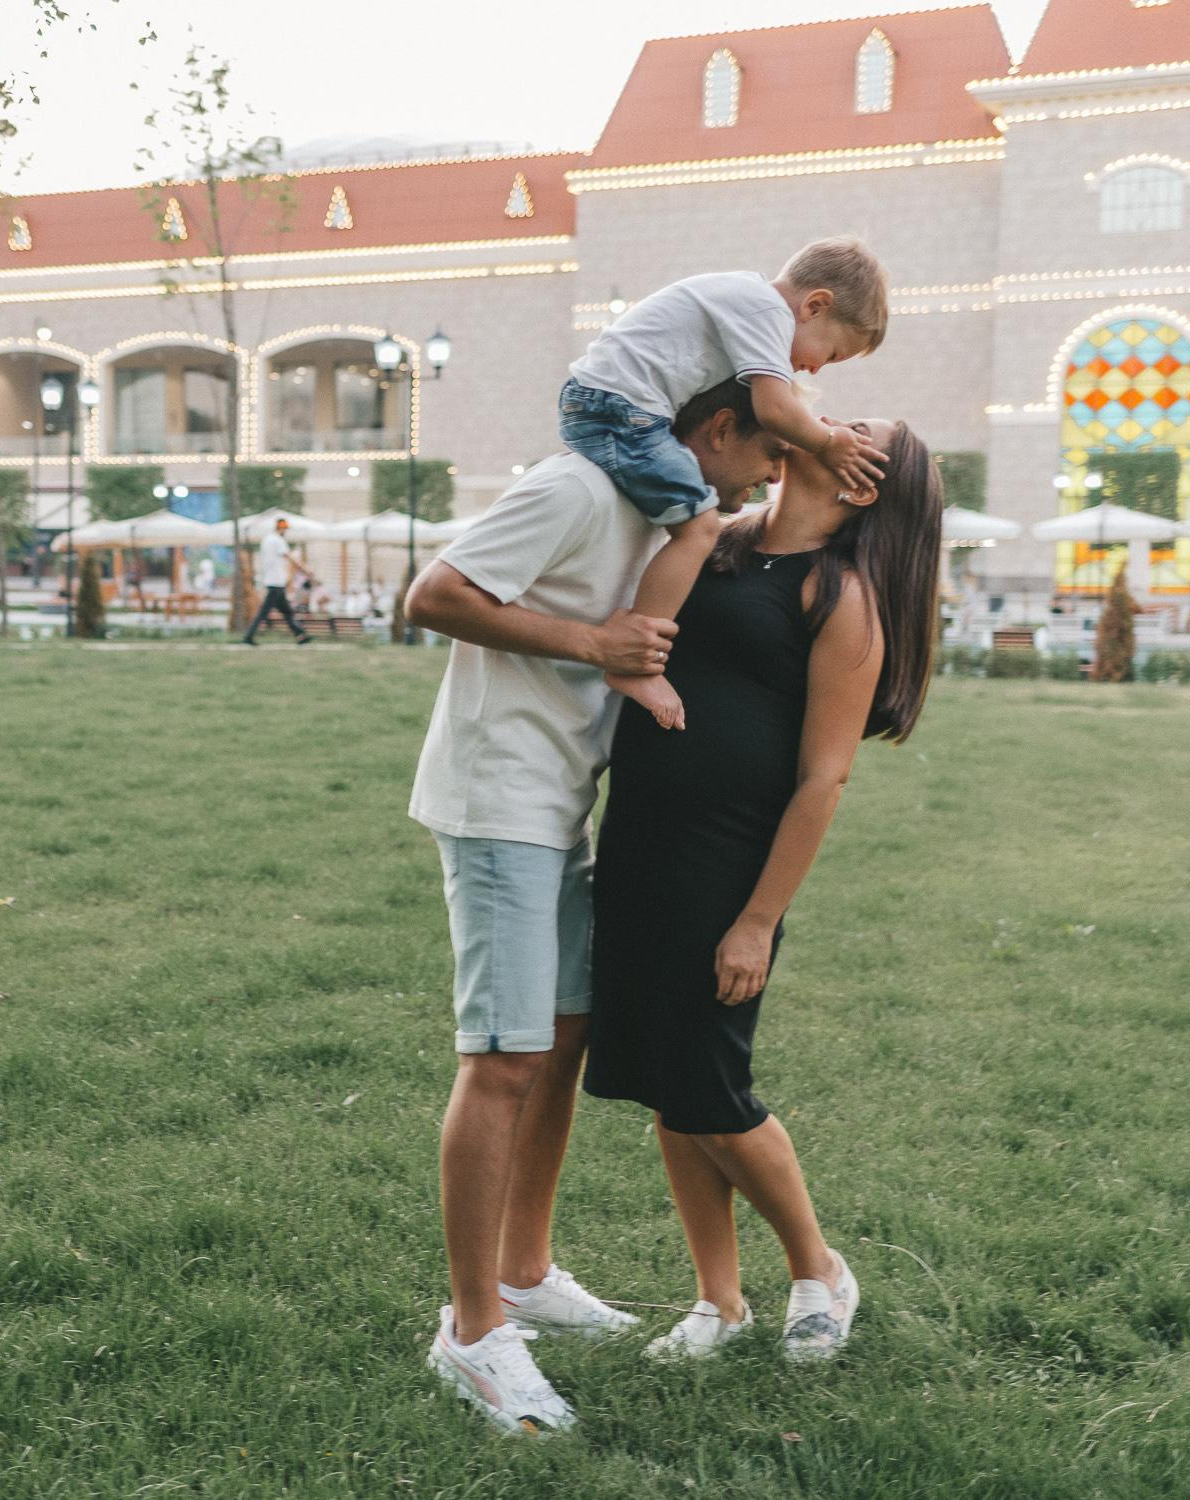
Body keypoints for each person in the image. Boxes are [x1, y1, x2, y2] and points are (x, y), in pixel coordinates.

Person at [403, 378, 787, 1435]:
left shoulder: (668, 512)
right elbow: (433, 596)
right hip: (500, 799)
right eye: (769, 455)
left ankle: (523, 1274)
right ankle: (473, 1331)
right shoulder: (574, 487)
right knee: (504, 1060)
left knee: (564, 1037)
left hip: (561, 804)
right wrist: (595, 647)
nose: (771, 478)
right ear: (718, 429)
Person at [583, 416, 943, 1367]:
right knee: (671, 1085)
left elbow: (824, 777)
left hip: (728, 867)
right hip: (641, 842)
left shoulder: (841, 594)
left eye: (852, 431)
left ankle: (819, 1270)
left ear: (861, 485)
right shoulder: (719, 540)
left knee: (710, 1085)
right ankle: (720, 1301)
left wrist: (756, 920)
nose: (818, 423)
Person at [559, 237, 892, 732]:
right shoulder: (767, 312)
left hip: (609, 403)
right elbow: (773, 409)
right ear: (815, 306)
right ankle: (636, 662)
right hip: (619, 410)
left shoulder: (747, 300)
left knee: (678, 513)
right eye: (831, 352)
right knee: (699, 528)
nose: (816, 367)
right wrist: (828, 443)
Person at [242, 516, 313, 645]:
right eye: (284, 529)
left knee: (287, 612)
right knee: (264, 612)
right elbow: (290, 557)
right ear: (281, 528)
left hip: (273, 581)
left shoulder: (266, 540)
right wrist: (305, 570)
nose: (285, 531)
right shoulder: (278, 541)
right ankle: (248, 636)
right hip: (276, 582)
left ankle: (300, 635)